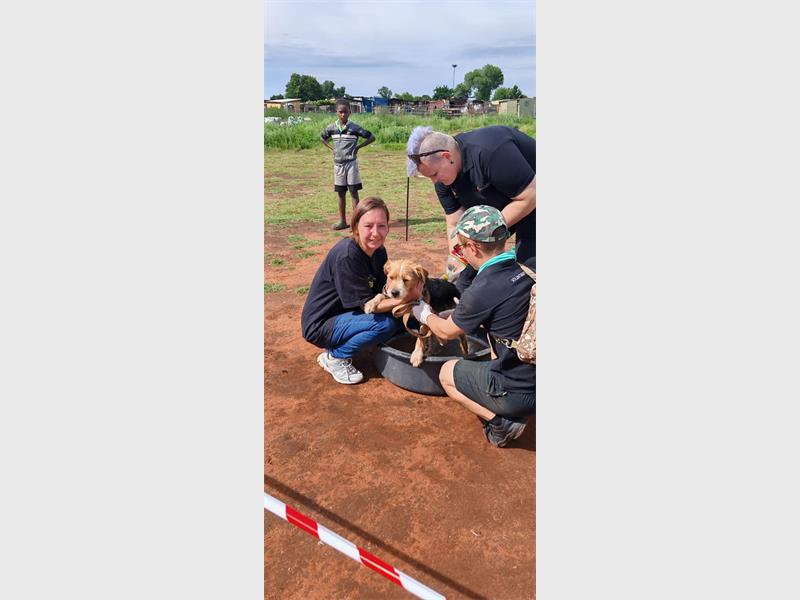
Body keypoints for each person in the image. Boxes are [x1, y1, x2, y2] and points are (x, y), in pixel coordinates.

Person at [411, 205, 535, 447]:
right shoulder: (526, 270)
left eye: (461, 247)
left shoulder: (482, 287)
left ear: (474, 247)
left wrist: (424, 314)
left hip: (519, 393)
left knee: (447, 372)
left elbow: (446, 332)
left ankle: (501, 423)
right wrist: (455, 314)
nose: (461, 253)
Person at [301, 197, 420, 385]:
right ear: (355, 227)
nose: (375, 233)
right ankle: (335, 356)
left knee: (406, 321)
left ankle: (359, 338)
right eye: (368, 226)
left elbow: (383, 290)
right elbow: (368, 306)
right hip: (322, 324)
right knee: (385, 326)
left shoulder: (379, 251)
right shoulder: (347, 255)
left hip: (348, 314)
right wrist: (406, 299)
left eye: (381, 226)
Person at [406, 125, 535, 292]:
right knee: (465, 276)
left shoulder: (490, 152)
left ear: (446, 156)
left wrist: (481, 232)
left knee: (529, 265)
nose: (434, 181)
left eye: (434, 174)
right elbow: (454, 224)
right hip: (505, 204)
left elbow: (531, 195)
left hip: (533, 196)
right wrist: (459, 255)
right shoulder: (443, 181)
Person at [321, 99, 376, 230]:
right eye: (340, 112)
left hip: (351, 164)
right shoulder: (331, 128)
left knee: (353, 192)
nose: (343, 114)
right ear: (336, 112)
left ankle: (355, 223)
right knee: (341, 193)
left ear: (350, 112)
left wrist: (358, 147)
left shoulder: (354, 128)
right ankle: (342, 221)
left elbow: (371, 137)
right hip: (338, 165)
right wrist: (332, 148)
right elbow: (322, 137)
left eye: (346, 112)